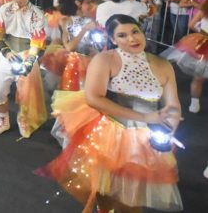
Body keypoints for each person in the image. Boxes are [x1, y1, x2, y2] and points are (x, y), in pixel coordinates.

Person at [37, 15, 182, 213]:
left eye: (135, 32)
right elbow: (94, 98)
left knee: (131, 202)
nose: (132, 39)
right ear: (113, 39)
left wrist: (170, 130)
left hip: (147, 140)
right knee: (104, 192)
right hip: (110, 134)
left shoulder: (163, 65)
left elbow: (173, 105)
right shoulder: (105, 59)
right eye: (122, 35)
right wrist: (145, 118)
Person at [0, 0, 47, 138]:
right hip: (6, 54)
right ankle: (3, 121)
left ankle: (23, 119)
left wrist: (30, 61)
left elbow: (37, 42)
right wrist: (5, 51)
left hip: (27, 54)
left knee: (26, 94)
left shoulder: (37, 14)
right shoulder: (5, 9)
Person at [161, 0, 208, 114]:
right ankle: (194, 102)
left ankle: (194, 102)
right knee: (199, 76)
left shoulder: (203, 11)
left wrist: (203, 32)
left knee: (198, 76)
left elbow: (191, 24)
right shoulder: (203, 11)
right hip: (201, 45)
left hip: (201, 42)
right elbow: (191, 24)